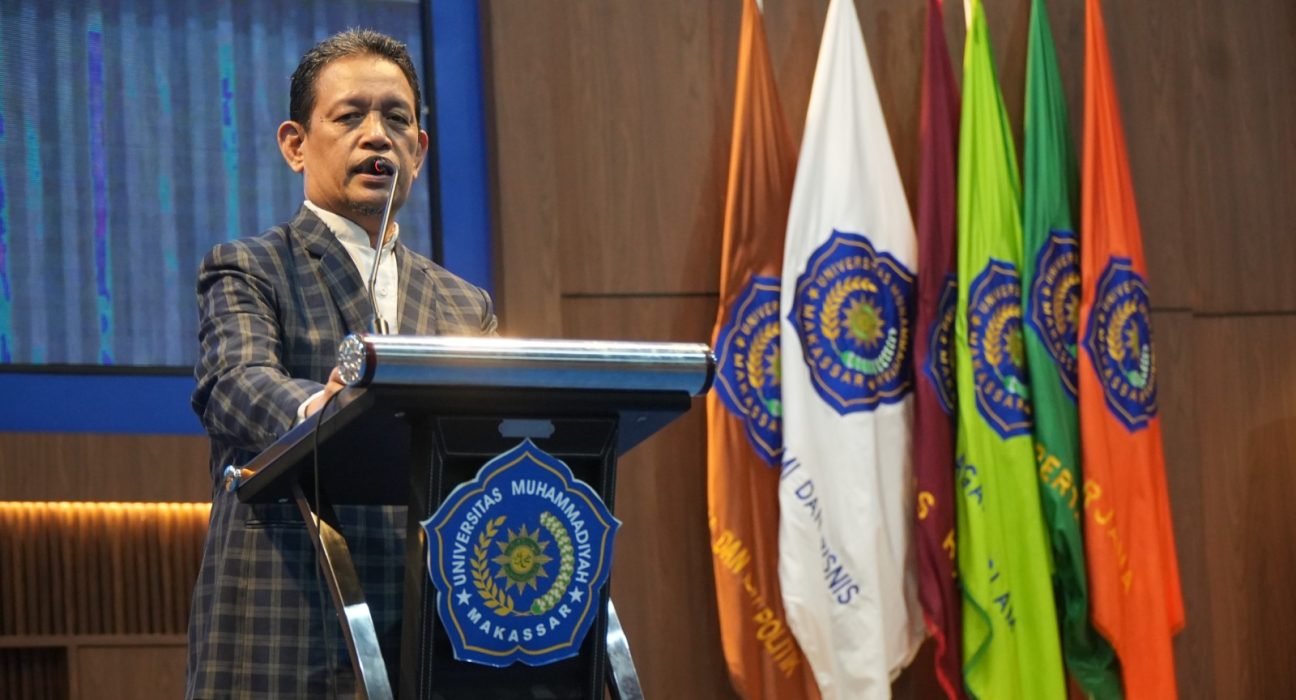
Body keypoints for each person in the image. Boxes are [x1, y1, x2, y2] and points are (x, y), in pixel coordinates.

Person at [187, 29, 497, 697]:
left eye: (397, 119)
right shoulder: (249, 267)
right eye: (350, 116)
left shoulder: (464, 304)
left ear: (420, 149)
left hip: (433, 638)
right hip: (291, 623)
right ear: (295, 144)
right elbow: (235, 383)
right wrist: (322, 407)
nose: (377, 136)